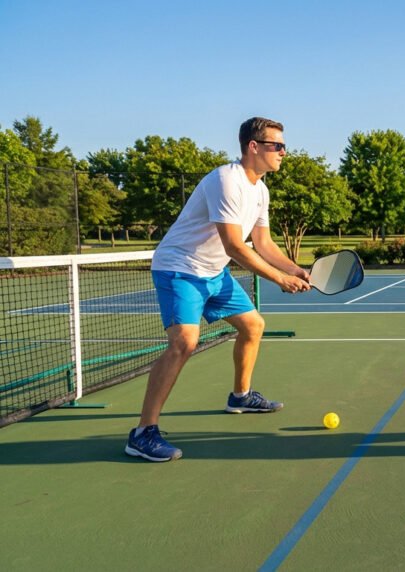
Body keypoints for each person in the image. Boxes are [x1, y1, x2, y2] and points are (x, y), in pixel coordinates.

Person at [125, 117, 311, 462]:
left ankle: (240, 396)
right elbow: (234, 247)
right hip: (179, 267)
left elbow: (263, 243)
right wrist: (279, 279)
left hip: (213, 271)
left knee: (254, 325)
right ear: (253, 147)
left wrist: (293, 268)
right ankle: (142, 433)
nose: (284, 152)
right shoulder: (226, 180)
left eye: (284, 145)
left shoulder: (261, 190)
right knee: (184, 343)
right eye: (277, 145)